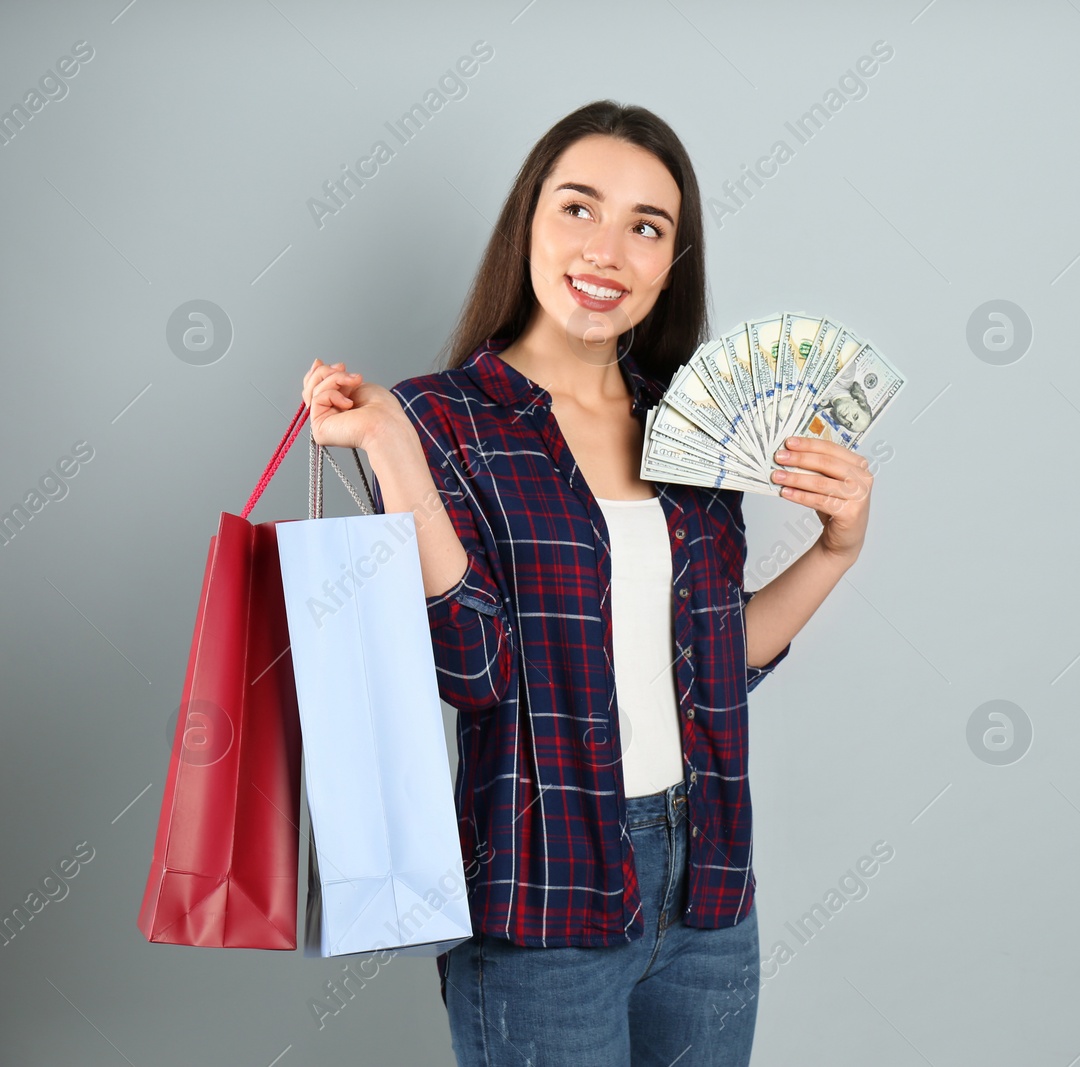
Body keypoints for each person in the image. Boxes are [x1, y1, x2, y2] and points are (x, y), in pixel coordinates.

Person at [298, 100, 875, 1066]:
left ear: (670, 261)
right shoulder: (439, 421)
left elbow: (715, 664)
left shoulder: (692, 427)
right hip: (541, 896)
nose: (607, 249)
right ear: (529, 221)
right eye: (579, 208)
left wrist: (834, 549)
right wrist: (393, 442)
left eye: (646, 227)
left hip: (710, 889)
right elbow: (474, 667)